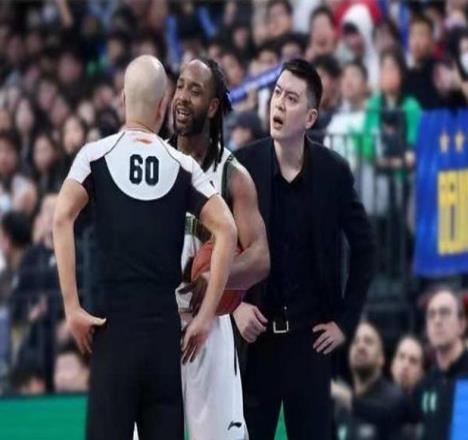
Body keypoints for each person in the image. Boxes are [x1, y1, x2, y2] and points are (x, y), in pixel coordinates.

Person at [53, 55, 237, 440]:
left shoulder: (94, 155)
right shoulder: (183, 165)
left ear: (123, 99)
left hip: (113, 330)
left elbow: (61, 218)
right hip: (163, 336)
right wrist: (205, 316)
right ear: (162, 106)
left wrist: (72, 307)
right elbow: (227, 230)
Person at [234, 58, 376, 439]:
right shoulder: (243, 166)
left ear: (311, 117)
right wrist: (234, 307)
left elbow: (366, 250)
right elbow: (218, 246)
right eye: (277, 93)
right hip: (256, 341)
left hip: (311, 341)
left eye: (291, 99)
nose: (278, 104)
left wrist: (345, 322)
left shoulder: (333, 172)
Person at [171, 58, 269, 440]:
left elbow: (260, 256)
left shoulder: (233, 176)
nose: (182, 97)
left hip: (208, 322)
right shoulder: (155, 162)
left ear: (213, 107)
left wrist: (217, 274)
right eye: (180, 86)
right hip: (158, 319)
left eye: (194, 91)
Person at [332, 321, 408, 440]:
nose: (360, 346)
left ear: (381, 358)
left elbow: (386, 415)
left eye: (368, 341)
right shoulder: (342, 410)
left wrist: (347, 398)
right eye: (355, 341)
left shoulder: (394, 399)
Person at [411, 288, 468, 439]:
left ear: (462, 324)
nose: (437, 320)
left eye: (444, 313)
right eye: (431, 315)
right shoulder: (423, 385)